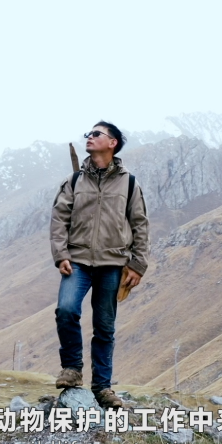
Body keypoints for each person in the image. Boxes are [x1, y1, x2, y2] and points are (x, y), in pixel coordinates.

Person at [49, 121, 149, 408]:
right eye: (88, 134)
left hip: (113, 263)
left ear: (112, 143)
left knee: (104, 327)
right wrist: (61, 254)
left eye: (96, 134)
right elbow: (59, 219)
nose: (89, 137)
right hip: (77, 261)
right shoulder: (74, 181)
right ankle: (71, 369)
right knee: (66, 309)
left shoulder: (129, 183)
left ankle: (103, 388)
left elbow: (140, 224)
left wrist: (138, 264)